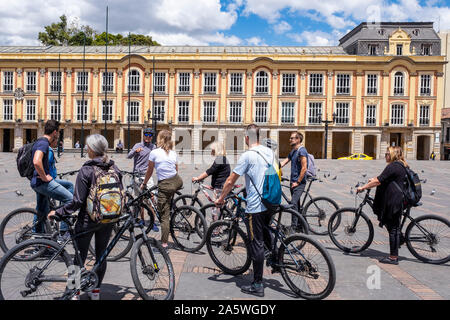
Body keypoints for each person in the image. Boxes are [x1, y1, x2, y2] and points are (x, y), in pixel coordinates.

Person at [48, 134, 122, 300]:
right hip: (108, 219)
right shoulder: (114, 168)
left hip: (88, 220)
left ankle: (73, 292)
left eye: (88, 147)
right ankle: (95, 292)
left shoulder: (87, 170)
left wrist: (58, 213)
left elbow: (78, 201)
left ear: (91, 149)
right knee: (101, 255)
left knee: (79, 257)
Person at [215, 124, 275, 297]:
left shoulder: (247, 156)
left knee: (256, 243)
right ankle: (275, 257)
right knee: (265, 230)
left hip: (256, 206)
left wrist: (221, 199)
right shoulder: (269, 152)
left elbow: (230, 181)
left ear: (247, 138)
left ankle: (257, 284)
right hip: (271, 201)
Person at [356, 146, 409, 265]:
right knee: (394, 228)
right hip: (397, 199)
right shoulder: (400, 165)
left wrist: (363, 187)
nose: (385, 156)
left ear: (393, 155)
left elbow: (379, 181)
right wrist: (373, 179)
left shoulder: (393, 166)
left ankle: (393, 257)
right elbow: (383, 178)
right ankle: (397, 243)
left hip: (393, 201)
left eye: (387, 154)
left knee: (393, 229)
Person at [141, 130, 183, 250]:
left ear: (159, 139)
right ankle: (173, 208)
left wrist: (144, 183)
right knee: (167, 204)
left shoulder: (154, 152)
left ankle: (164, 244)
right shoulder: (173, 153)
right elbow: (176, 169)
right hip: (177, 181)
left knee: (164, 216)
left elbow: (149, 171)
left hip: (165, 184)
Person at [31, 120, 73, 238]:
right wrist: (45, 177)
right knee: (71, 200)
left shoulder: (39, 141)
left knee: (41, 212)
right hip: (43, 183)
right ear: (55, 132)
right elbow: (36, 161)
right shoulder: (44, 143)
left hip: (37, 183)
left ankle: (39, 243)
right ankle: (60, 224)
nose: (58, 135)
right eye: (58, 132)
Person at [192, 141, 231, 223]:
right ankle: (225, 223)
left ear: (217, 150)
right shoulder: (222, 158)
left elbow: (209, 171)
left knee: (216, 209)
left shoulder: (220, 159)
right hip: (222, 185)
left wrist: (198, 178)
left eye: (212, 150)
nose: (211, 152)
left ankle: (216, 230)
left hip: (220, 186)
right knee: (222, 207)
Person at [127, 128, 158, 230]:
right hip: (137, 175)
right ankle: (142, 219)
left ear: (152, 137)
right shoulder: (137, 145)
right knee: (140, 199)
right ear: (143, 135)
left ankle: (152, 222)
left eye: (150, 135)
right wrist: (135, 151)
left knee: (151, 198)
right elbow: (128, 156)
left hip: (147, 176)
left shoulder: (154, 147)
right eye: (146, 135)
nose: (148, 137)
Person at [280, 131, 308, 228]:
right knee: (297, 205)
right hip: (293, 182)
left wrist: (298, 182)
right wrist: (273, 167)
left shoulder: (302, 151)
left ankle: (293, 227)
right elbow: (284, 162)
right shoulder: (293, 152)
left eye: (292, 138)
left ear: (298, 139)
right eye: (290, 138)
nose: (290, 140)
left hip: (299, 183)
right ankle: (302, 225)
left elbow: (304, 168)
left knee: (293, 204)